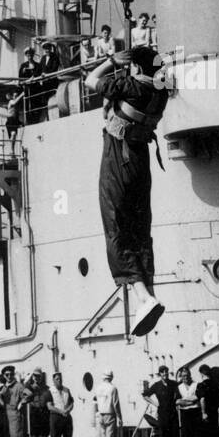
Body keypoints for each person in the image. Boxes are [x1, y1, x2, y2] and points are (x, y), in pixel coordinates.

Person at [90, 44, 167, 335]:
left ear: (135, 67)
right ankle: (150, 290)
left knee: (116, 225)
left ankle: (143, 297)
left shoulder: (129, 85)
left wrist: (111, 61)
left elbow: (90, 80)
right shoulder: (161, 90)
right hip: (140, 160)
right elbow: (156, 74)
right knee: (139, 228)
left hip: (118, 157)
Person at [143, 365, 180, 437]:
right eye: (163, 372)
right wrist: (155, 403)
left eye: (166, 372)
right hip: (162, 415)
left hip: (173, 414)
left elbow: (180, 391)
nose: (165, 374)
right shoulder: (156, 385)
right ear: (160, 374)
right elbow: (145, 395)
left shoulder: (173, 384)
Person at [0, 366, 33, 437]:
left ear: (14, 374)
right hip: (6, 417)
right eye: (7, 375)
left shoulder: (19, 386)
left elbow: (29, 394)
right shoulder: (5, 387)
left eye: (11, 374)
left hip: (15, 417)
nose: (9, 376)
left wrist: (22, 402)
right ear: (4, 376)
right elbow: (2, 403)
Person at [94, 369, 122, 437]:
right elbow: (116, 404)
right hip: (110, 414)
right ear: (111, 377)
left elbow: (96, 403)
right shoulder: (113, 388)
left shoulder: (98, 388)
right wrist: (120, 417)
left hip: (100, 414)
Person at [48, 371, 75, 437]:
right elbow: (49, 406)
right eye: (57, 379)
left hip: (66, 417)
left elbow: (71, 403)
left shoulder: (66, 390)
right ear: (53, 380)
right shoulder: (50, 391)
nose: (59, 380)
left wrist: (67, 410)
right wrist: (61, 411)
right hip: (56, 417)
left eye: (60, 378)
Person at [26, 369, 52, 437]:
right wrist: (29, 381)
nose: (37, 378)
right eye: (35, 376)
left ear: (41, 377)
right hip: (34, 413)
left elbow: (50, 401)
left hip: (44, 413)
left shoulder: (46, 388)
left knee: (45, 436)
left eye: (38, 376)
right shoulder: (29, 387)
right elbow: (24, 394)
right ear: (33, 377)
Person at [175, 365, 199, 437]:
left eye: (187, 375)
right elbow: (177, 401)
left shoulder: (196, 384)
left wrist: (184, 401)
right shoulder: (179, 387)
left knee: (197, 436)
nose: (185, 378)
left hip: (196, 413)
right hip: (185, 414)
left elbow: (197, 397)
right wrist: (190, 402)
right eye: (183, 376)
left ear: (190, 375)